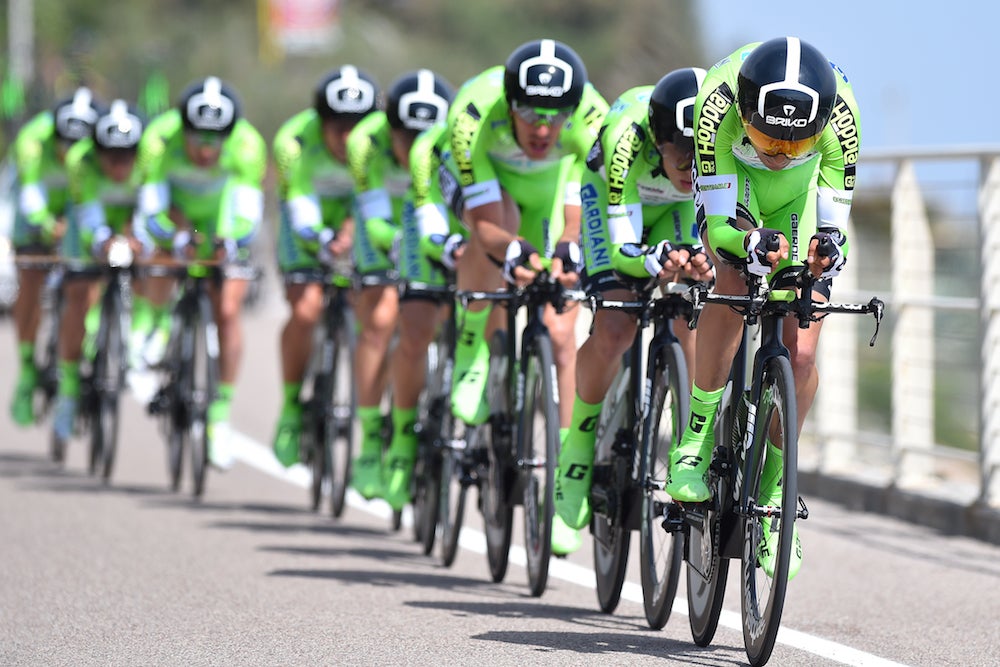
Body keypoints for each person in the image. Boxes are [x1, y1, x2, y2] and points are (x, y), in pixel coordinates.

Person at [669, 36, 861, 580]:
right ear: (744, 112)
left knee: (801, 349)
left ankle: (776, 495)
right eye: (767, 135)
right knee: (734, 277)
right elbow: (719, 223)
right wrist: (749, 245)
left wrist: (827, 251)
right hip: (740, 189)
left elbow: (833, 226)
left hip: (800, 199)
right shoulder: (716, 105)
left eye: (795, 142)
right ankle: (695, 440)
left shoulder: (843, 118)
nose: (778, 150)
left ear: (820, 127)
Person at [442, 39, 609, 554]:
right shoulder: (473, 113)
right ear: (510, 105)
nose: (542, 129)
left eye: (555, 117)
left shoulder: (594, 119)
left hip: (555, 189)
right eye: (530, 115)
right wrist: (512, 251)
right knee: (499, 237)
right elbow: (486, 222)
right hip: (492, 191)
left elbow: (586, 202)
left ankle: (563, 484)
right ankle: (472, 350)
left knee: (561, 335)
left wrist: (566, 248)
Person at [553, 67, 715, 530]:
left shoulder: (708, 155)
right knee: (617, 325)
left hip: (679, 210)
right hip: (614, 203)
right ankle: (579, 443)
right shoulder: (626, 139)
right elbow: (624, 250)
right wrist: (651, 261)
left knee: (695, 311)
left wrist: (700, 260)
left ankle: (691, 447)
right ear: (657, 142)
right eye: (679, 155)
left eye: (700, 155)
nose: (691, 167)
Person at [134, 76, 268, 468]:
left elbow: (248, 212)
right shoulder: (159, 139)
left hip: (223, 224)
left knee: (227, 311)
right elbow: (149, 208)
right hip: (179, 221)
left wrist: (230, 239)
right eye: (198, 139)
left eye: (216, 140)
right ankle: (156, 326)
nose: (207, 149)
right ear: (183, 130)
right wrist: (174, 237)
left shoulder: (246, 145)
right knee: (161, 262)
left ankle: (220, 416)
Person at [270, 65, 380, 467]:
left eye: (357, 126)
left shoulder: (378, 143)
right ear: (321, 122)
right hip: (307, 223)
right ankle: (290, 408)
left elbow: (377, 196)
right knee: (305, 309)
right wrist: (321, 238)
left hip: (358, 221)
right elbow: (298, 202)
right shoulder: (294, 142)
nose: (348, 137)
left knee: (372, 312)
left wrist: (351, 232)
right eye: (338, 127)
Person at [380, 70, 456, 510]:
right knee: (415, 328)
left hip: (462, 231)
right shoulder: (371, 151)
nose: (413, 146)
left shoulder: (452, 150)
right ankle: (402, 440)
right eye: (405, 136)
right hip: (421, 231)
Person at [52, 100, 147, 444]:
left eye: (127, 157)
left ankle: (139, 340)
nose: (118, 165)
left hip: (130, 223)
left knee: (153, 275)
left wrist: (140, 238)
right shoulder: (81, 161)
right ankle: (68, 390)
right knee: (79, 295)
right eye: (110, 156)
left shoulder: (150, 161)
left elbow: (153, 205)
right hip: (90, 229)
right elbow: (88, 212)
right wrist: (104, 240)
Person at [8, 87, 103, 427]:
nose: (69, 153)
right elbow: (30, 193)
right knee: (31, 282)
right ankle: (28, 370)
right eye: (64, 144)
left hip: (80, 212)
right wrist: (47, 226)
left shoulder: (99, 147)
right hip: (40, 215)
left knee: (92, 276)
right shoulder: (33, 140)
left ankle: (88, 333)